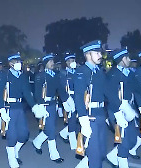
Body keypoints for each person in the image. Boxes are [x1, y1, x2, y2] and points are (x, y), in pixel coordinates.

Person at [0, 53, 48, 168]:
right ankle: (11, 157)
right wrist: (2, 110)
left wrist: (35, 107)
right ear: (10, 63)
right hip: (8, 107)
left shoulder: (23, 76)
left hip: (19, 107)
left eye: (20, 61)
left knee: (24, 134)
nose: (19, 64)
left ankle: (15, 151)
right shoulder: (4, 75)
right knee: (12, 135)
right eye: (16, 61)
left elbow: (27, 94)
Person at [74, 40, 115, 168]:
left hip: (101, 115)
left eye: (100, 52)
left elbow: (107, 92)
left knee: (101, 152)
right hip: (89, 117)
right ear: (88, 54)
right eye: (96, 53)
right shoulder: (81, 72)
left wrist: (118, 110)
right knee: (95, 156)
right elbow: (79, 97)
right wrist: (83, 119)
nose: (100, 55)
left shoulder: (99, 71)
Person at [32, 53, 74, 163]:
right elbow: (37, 93)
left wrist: (67, 101)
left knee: (49, 128)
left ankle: (37, 142)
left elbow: (60, 89)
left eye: (53, 61)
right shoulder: (40, 76)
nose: (52, 63)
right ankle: (54, 154)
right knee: (51, 130)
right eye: (50, 62)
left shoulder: (56, 75)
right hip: (44, 105)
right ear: (45, 64)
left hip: (52, 104)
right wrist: (40, 106)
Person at [58, 52, 78, 150]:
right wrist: (65, 100)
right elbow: (61, 88)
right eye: (70, 61)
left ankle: (63, 134)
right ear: (66, 62)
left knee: (78, 118)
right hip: (69, 98)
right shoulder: (63, 73)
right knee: (72, 120)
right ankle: (73, 144)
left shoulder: (77, 72)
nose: (72, 62)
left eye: (73, 60)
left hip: (78, 97)